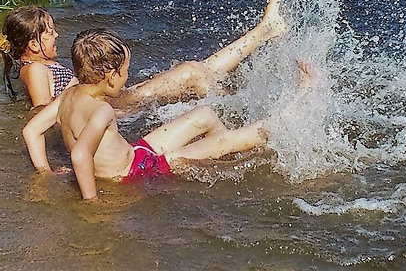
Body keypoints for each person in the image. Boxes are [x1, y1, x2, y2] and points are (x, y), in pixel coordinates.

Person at [24, 28, 315, 200]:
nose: (127, 78)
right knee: (248, 135)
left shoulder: (67, 97)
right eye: (125, 73)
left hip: (134, 154)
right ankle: (299, 104)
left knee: (204, 115)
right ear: (110, 76)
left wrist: (45, 172)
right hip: (137, 172)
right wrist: (91, 201)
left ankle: (223, 156)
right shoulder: (101, 110)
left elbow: (31, 131)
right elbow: (79, 155)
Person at [0, 0, 286, 109]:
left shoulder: (36, 65)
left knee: (199, 70)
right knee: (193, 73)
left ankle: (263, 32)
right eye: (49, 32)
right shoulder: (33, 70)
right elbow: (43, 110)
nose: (57, 35)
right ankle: (234, 113)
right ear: (33, 44)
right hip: (117, 105)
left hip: (114, 99)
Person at [0, 6, 78, 107]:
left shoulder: (34, 67)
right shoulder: (36, 69)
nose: (56, 35)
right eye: (51, 33)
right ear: (34, 45)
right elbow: (41, 109)